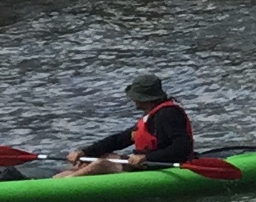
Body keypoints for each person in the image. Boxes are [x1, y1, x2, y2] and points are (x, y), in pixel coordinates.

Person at [65, 75, 196, 176]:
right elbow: (119, 140)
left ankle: (66, 184)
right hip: (148, 162)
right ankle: (58, 179)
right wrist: (84, 152)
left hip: (163, 164)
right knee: (92, 159)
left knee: (102, 164)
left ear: (146, 98)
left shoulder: (168, 114)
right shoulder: (152, 114)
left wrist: (147, 157)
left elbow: (182, 147)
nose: (132, 99)